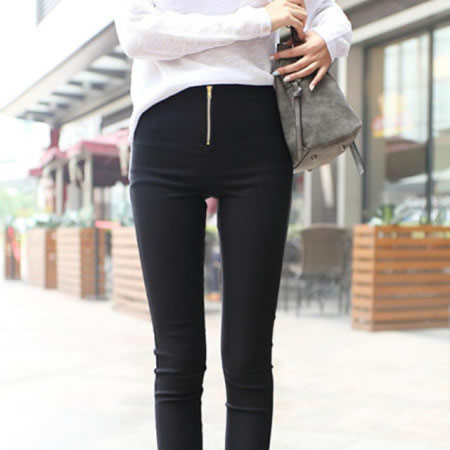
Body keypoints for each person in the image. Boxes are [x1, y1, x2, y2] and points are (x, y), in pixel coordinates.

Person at [113, 1, 352, 449]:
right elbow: (137, 34)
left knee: (249, 358)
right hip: (164, 143)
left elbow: (329, 12)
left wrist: (328, 41)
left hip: (258, 141)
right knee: (178, 358)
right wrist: (258, 21)